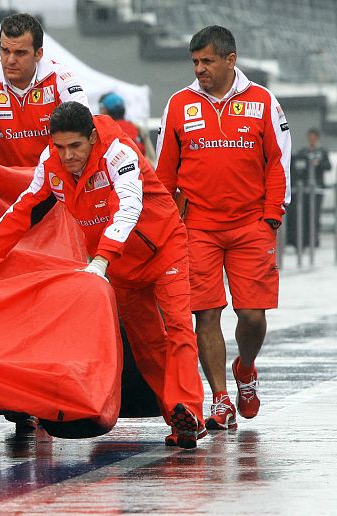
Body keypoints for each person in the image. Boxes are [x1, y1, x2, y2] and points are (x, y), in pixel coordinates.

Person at [0, 101, 206, 448]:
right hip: (119, 263)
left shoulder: (119, 152)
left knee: (179, 327)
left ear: (91, 137)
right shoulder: (51, 163)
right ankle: (180, 423)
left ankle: (188, 407)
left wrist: (101, 260)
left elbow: (129, 207)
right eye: (60, 147)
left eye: (75, 146)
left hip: (163, 248)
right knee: (147, 345)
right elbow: (23, 210)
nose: (68, 155)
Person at [154, 26, 291, 431]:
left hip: (252, 225)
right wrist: (165, 225)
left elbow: (278, 162)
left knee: (252, 315)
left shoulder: (263, 101)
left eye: (207, 61)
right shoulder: (179, 104)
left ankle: (245, 368)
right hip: (198, 226)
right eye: (195, 62)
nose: (200, 69)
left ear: (231, 60)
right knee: (206, 313)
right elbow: (164, 174)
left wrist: (272, 216)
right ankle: (220, 398)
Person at [0, 12, 90, 167]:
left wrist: (45, 172)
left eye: (20, 53)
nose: (10, 60)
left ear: (38, 54)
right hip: (1, 178)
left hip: (51, 176)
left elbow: (85, 125)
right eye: (5, 50)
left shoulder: (59, 78)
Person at [287, 127, 331, 247]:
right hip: (304, 189)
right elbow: (297, 165)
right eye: (310, 138)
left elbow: (328, 166)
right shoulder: (303, 152)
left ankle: (314, 239)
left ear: (317, 138)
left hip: (317, 188)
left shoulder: (322, 152)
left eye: (314, 138)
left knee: (315, 215)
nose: (312, 140)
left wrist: (318, 163)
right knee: (304, 214)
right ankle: (304, 239)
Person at [98, 91, 156, 163]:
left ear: (105, 111)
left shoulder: (105, 132)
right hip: (142, 167)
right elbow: (151, 158)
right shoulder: (137, 129)